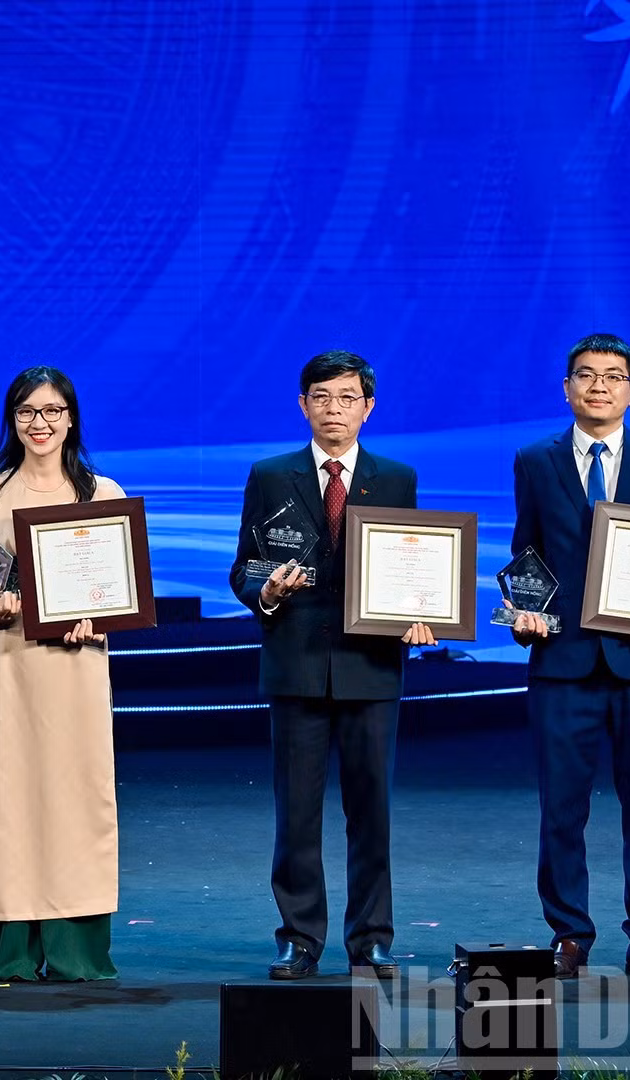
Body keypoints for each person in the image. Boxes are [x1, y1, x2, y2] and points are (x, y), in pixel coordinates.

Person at [227, 350, 435, 981]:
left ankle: (371, 938)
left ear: (367, 407)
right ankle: (298, 937)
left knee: (371, 810)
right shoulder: (270, 475)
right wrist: (267, 590)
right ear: (302, 405)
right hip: (296, 665)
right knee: (297, 812)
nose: (334, 408)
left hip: (371, 667)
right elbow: (243, 568)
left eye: (347, 398)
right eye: (322, 397)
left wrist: (421, 614)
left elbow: (416, 568)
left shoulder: (396, 478)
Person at [509, 332, 630, 981]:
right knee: (562, 807)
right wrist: (522, 613)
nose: (599, 386)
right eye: (587, 376)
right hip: (562, 663)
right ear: (567, 388)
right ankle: (569, 934)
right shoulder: (535, 461)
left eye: (613, 376)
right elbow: (525, 556)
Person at [0, 366, 121, 981]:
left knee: (77, 797)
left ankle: (76, 947)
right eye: (28, 412)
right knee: (10, 797)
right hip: (11, 666)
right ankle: (12, 949)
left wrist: (99, 618)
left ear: (71, 418)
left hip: (77, 668)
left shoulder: (101, 495)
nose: (40, 424)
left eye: (52, 411)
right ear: (14, 421)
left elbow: (118, 594)